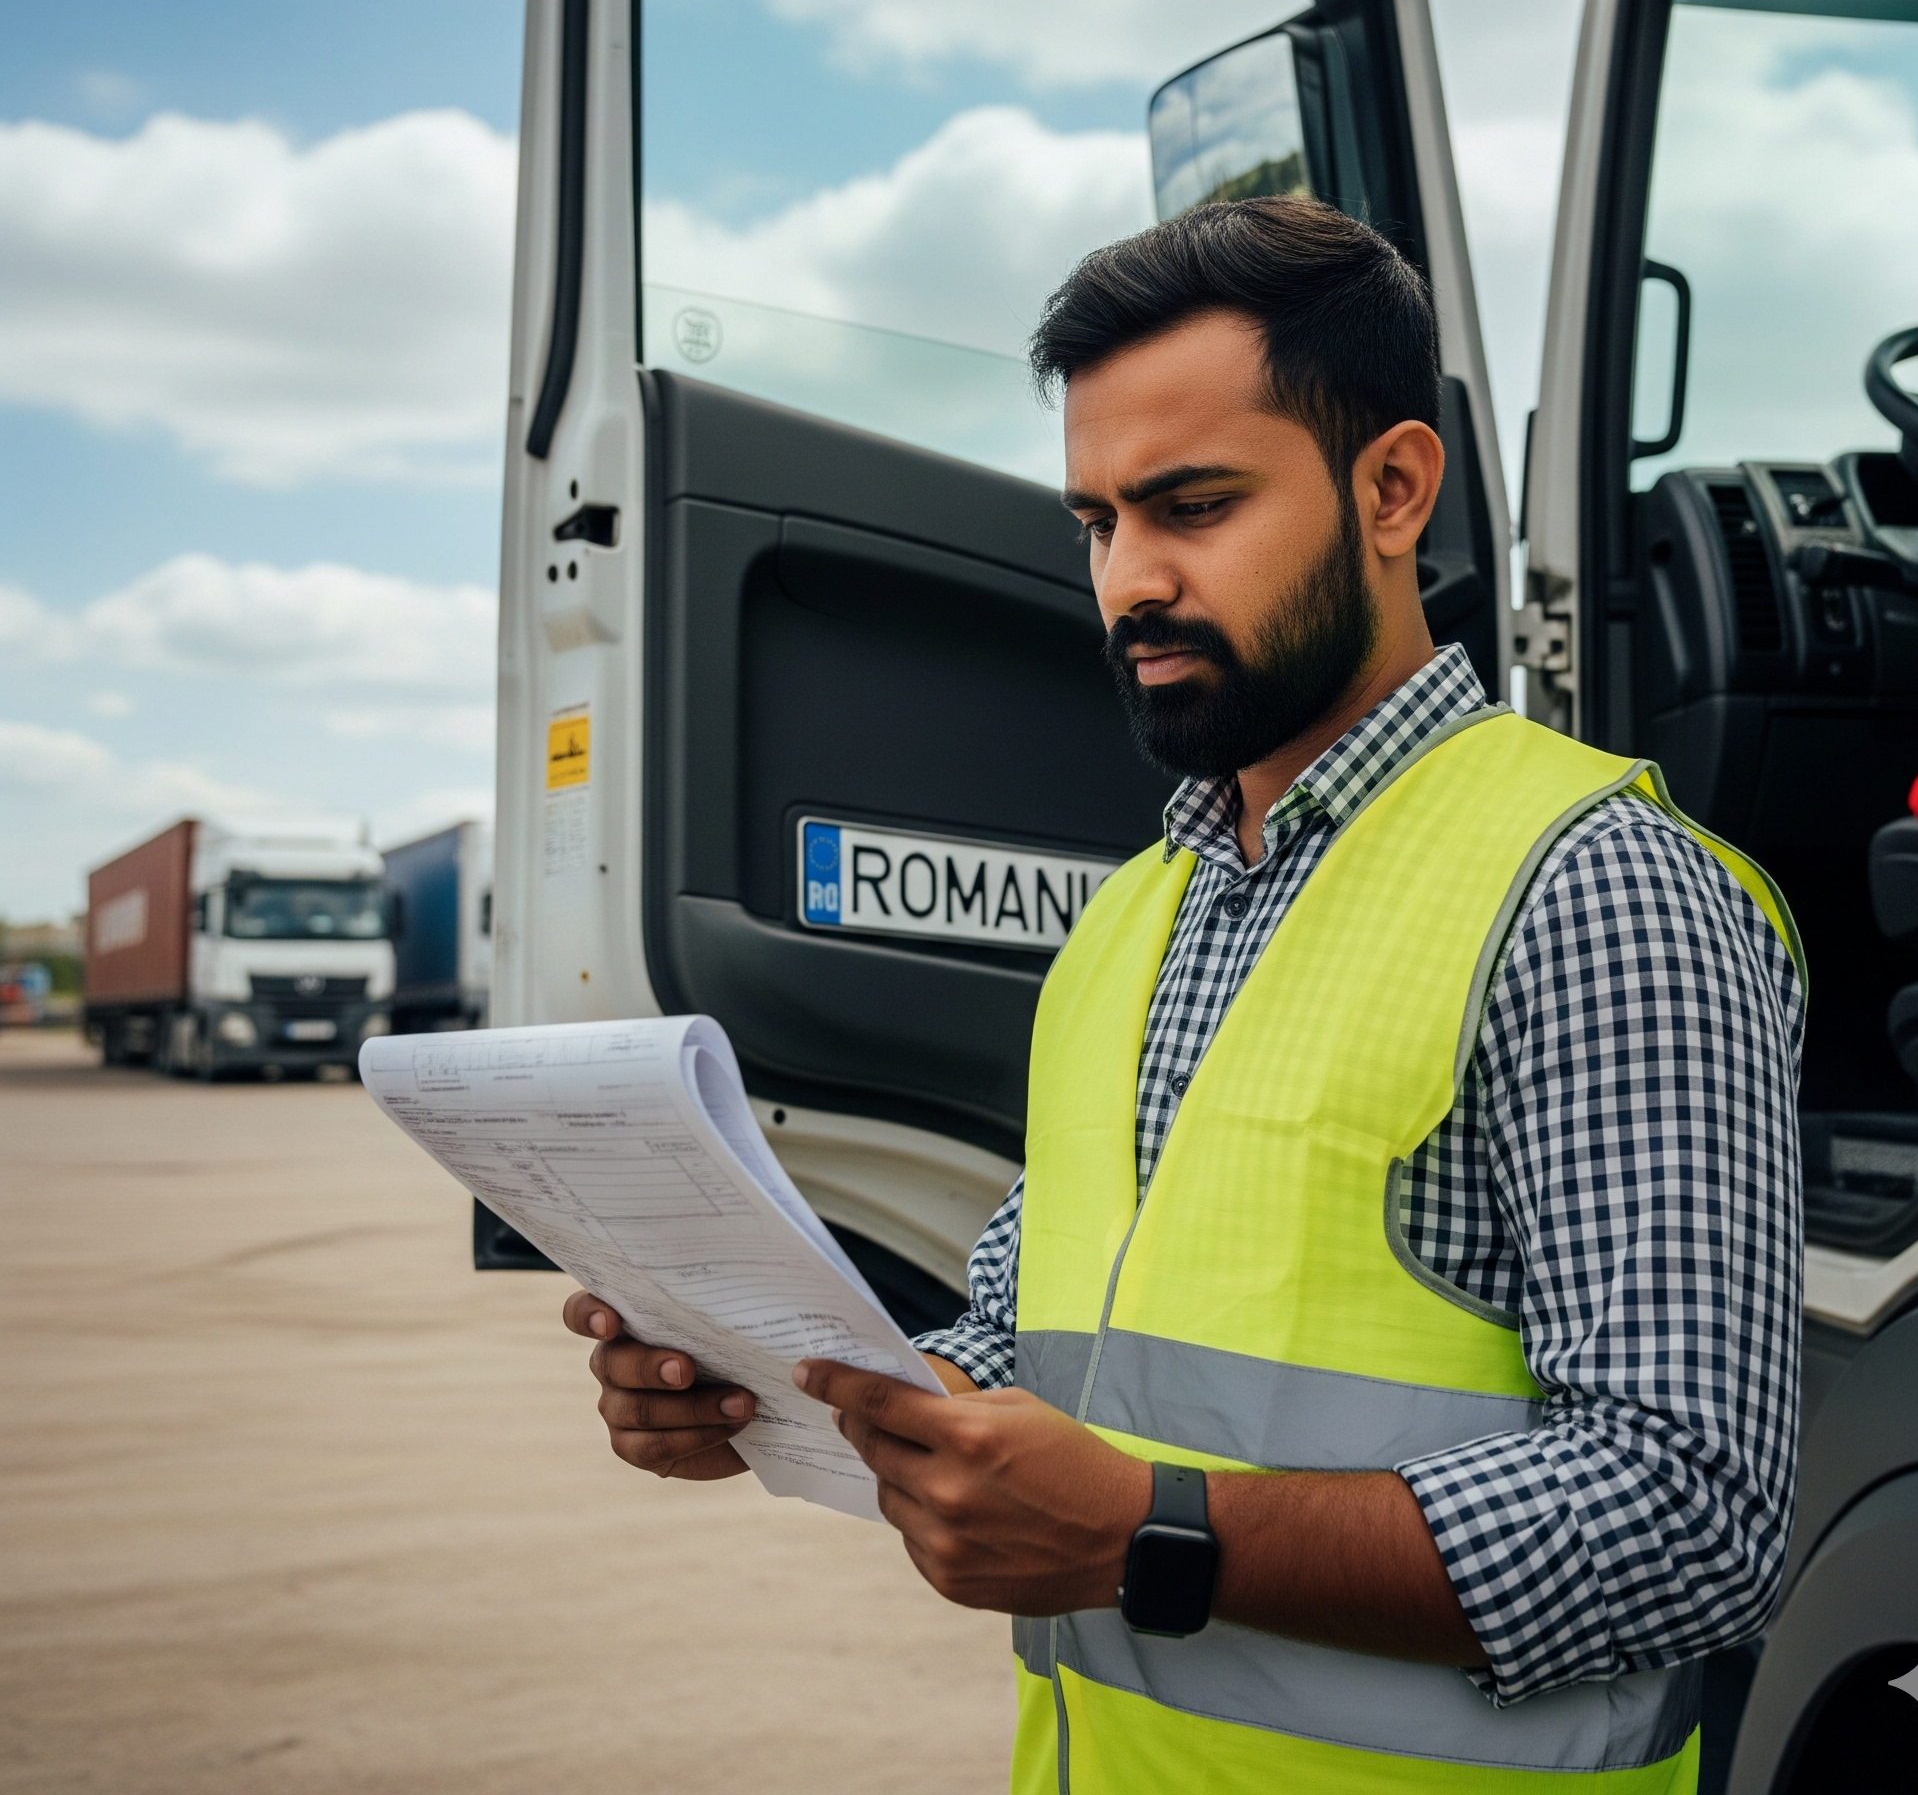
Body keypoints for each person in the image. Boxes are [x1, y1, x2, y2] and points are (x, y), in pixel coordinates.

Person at [566, 196, 1804, 1793]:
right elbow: (1037, 1355)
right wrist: (782, 1389)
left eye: (1193, 506)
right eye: (1096, 522)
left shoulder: (1599, 889)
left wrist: (1154, 1532)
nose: (1127, 580)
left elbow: (1693, 1519)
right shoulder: (1127, 924)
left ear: (1394, 488)